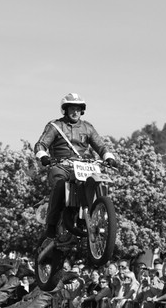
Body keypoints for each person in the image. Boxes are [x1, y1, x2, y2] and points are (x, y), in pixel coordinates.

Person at [34, 92, 116, 243]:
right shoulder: (55, 126)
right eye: (72, 108)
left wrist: (108, 157)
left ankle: (97, 214)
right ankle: (51, 225)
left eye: (78, 109)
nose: (75, 112)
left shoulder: (88, 128)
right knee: (60, 185)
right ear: (65, 109)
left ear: (82, 110)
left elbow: (101, 145)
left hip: (83, 166)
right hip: (60, 165)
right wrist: (43, 156)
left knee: (98, 182)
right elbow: (41, 144)